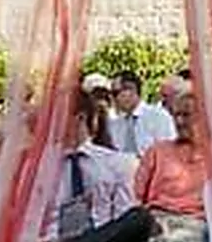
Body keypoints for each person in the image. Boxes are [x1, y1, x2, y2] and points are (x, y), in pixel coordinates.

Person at [43, 89, 153, 242]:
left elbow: (125, 222)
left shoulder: (118, 164)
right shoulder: (38, 168)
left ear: (79, 118)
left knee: (140, 218)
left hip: (101, 237)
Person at [133, 90, 209, 242]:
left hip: (194, 223)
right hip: (154, 219)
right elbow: (136, 195)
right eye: (176, 115)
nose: (179, 122)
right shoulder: (157, 151)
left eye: (186, 115)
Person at [107, 72, 175, 155]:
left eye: (116, 93)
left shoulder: (158, 116)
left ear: (132, 90)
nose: (115, 98)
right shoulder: (115, 124)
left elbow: (169, 151)